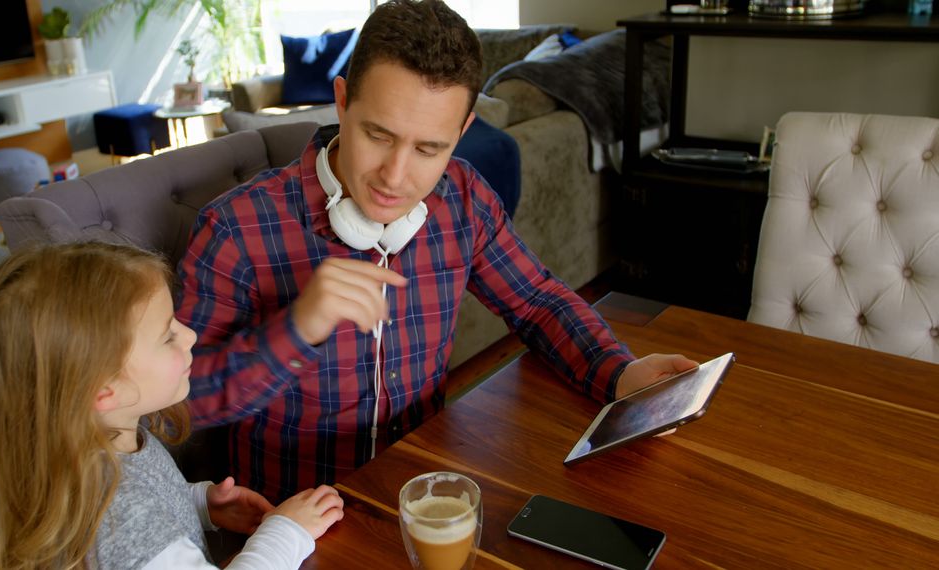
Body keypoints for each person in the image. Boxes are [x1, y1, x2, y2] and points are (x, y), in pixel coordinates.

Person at [177, 0, 697, 501]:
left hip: (421, 495)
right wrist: (295, 330)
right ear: (341, 100)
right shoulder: (236, 228)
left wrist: (618, 371)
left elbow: (538, 301)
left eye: (429, 149)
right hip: (290, 525)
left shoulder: (462, 198)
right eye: (378, 135)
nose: (396, 177)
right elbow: (181, 405)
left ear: (462, 131)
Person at [0, 242, 344, 570]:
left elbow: (144, 513)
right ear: (103, 388)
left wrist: (197, 503)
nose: (190, 335)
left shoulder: (108, 442)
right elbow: (132, 524)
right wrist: (287, 532)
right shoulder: (121, 515)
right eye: (168, 335)